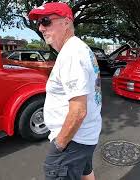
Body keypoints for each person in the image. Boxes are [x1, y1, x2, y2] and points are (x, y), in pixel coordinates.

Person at [28, 2, 102, 180]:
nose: (40, 28)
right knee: (86, 173)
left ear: (66, 22)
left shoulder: (71, 54)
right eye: (38, 23)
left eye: (46, 21)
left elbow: (78, 111)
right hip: (85, 136)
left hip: (73, 140)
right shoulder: (79, 48)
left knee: (55, 170)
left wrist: (60, 143)